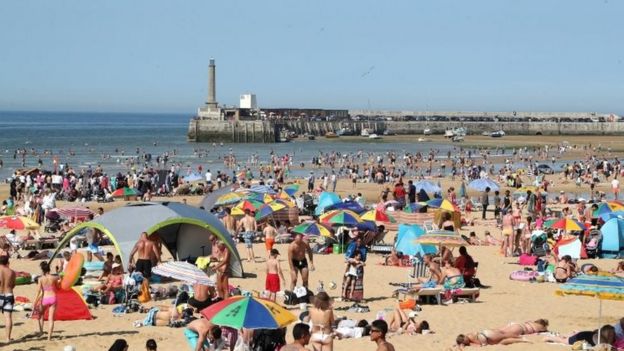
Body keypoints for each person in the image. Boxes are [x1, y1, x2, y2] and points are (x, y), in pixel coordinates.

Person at [34, 261, 59, 340]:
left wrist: (35, 301)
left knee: (40, 315)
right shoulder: (54, 278)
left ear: (42, 270)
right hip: (53, 297)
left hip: (45, 298)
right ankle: (49, 337)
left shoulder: (40, 279)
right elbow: (58, 288)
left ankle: (41, 331)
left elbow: (38, 291)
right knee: (51, 318)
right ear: (49, 269)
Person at [545, 325, 616, 348]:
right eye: (609, 334)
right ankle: (549, 337)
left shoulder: (606, 338)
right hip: (581, 337)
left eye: (612, 334)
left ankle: (572, 334)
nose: (611, 336)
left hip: (587, 335)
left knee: (567, 339)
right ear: (603, 332)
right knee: (564, 341)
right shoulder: (601, 340)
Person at [0, 255, 16, 342]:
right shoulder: (12, 272)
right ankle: (8, 338)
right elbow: (13, 285)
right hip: (9, 295)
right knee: (8, 317)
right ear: (7, 262)